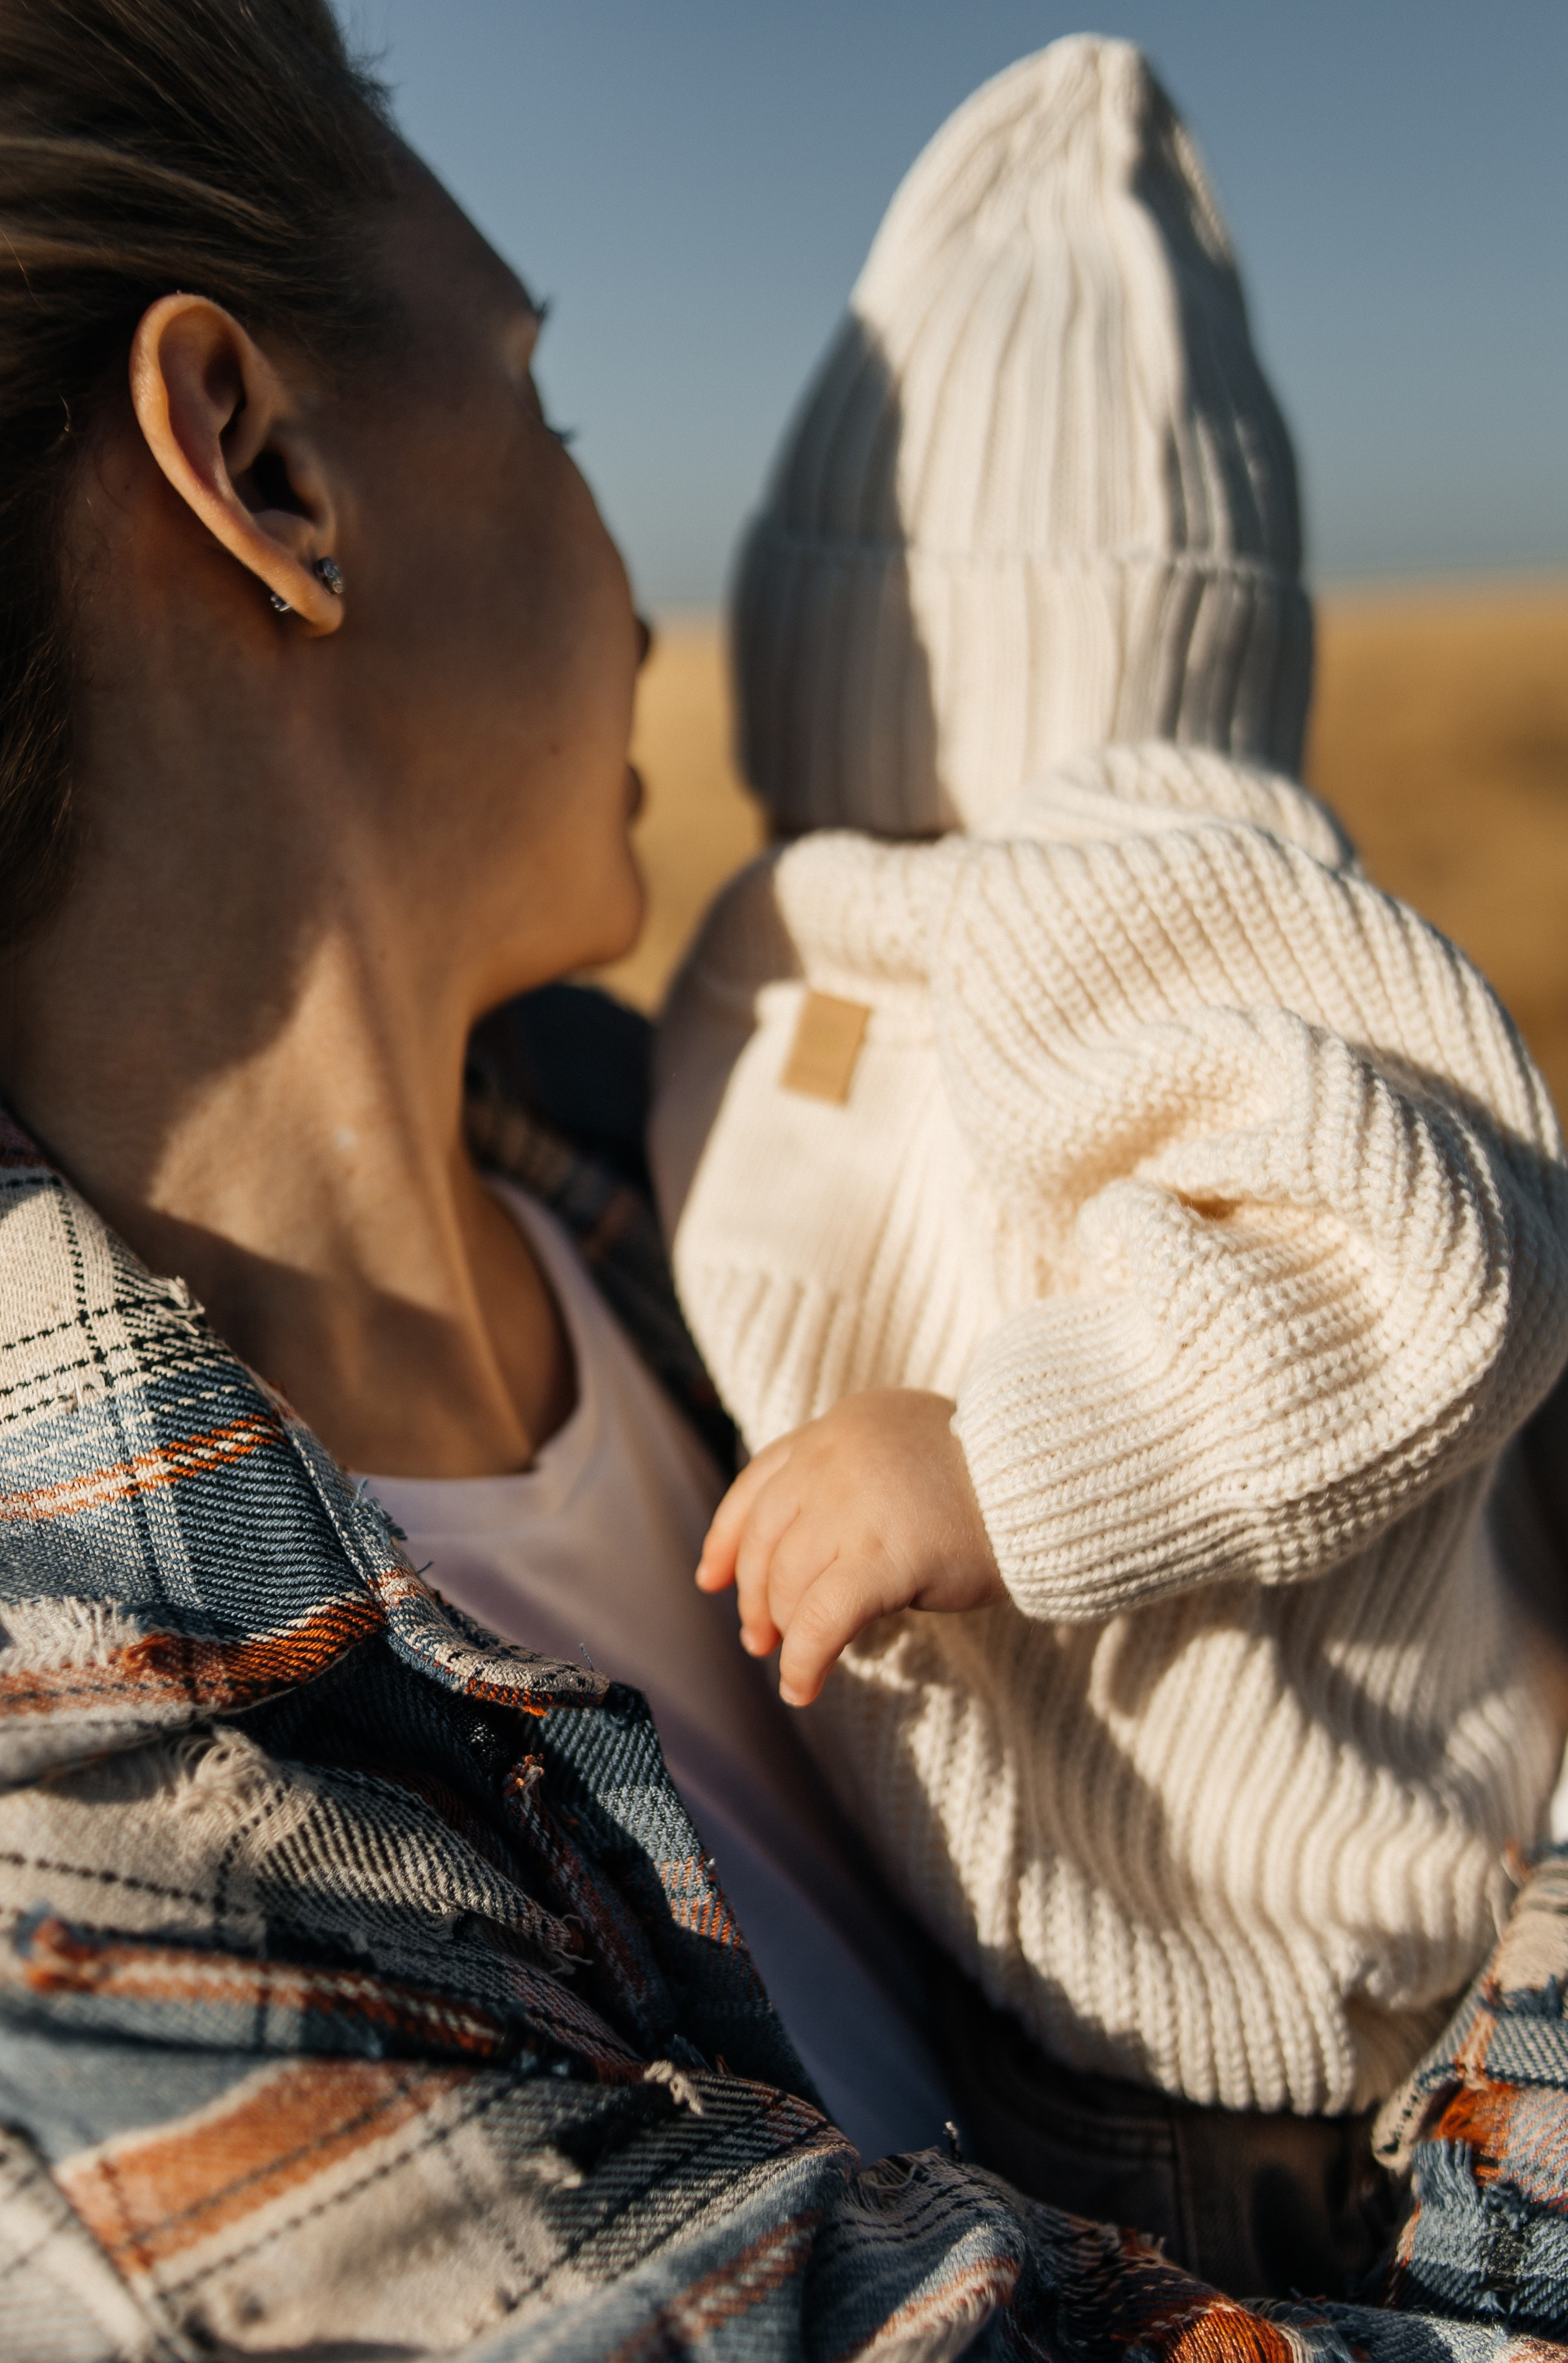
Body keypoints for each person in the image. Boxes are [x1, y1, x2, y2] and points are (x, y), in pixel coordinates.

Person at [650, 36, 1568, 2295]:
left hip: (1271, 2042)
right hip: (1022, 1991)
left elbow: (1429, 1249)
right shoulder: (809, 925)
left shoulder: (1141, 877)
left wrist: (1006, 1451)